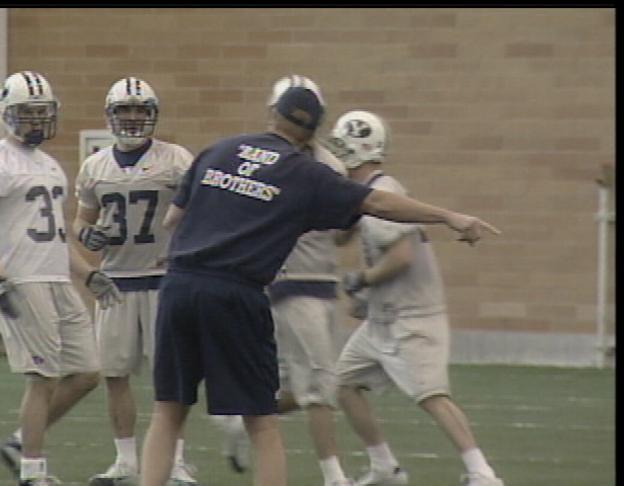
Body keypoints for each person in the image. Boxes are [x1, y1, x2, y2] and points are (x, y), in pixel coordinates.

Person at [138, 86, 500, 486]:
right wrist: (450, 217)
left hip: (180, 284)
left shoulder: (220, 149)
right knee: (262, 423)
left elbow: (173, 220)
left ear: (271, 114)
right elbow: (378, 204)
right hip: (236, 292)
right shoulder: (305, 172)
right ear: (311, 134)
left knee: (167, 412)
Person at [324, 110, 505, 486]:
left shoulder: (384, 192)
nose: (336, 155)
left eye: (341, 148)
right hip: (384, 318)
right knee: (342, 383)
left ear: (359, 150)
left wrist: (361, 279)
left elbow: (401, 257)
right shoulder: (367, 194)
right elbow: (344, 232)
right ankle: (384, 467)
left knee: (430, 394)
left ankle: (482, 473)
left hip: (413, 315)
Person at [0, 71, 121, 486]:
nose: (35, 121)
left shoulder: (49, 165)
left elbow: (56, 234)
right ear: (6, 114)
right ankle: (33, 472)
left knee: (88, 372)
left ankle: (19, 442)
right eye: (26, 113)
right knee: (43, 377)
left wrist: (87, 274)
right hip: (24, 279)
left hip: (56, 279)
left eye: (41, 113)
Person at [211, 75, 355, 486]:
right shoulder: (268, 162)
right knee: (321, 386)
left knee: (297, 386)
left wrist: (359, 210)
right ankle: (334, 475)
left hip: (323, 281)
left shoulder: (329, 164)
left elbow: (341, 234)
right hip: (289, 283)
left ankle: (240, 422)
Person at [72, 76, 198, 486]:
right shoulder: (95, 166)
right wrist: (85, 235)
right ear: (110, 115)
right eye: (124, 110)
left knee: (171, 375)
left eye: (139, 110)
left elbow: (198, 213)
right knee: (115, 373)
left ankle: (176, 460)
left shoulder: (177, 159)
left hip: (165, 278)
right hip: (116, 281)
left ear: (152, 114)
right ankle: (126, 460)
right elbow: (81, 222)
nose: (131, 118)